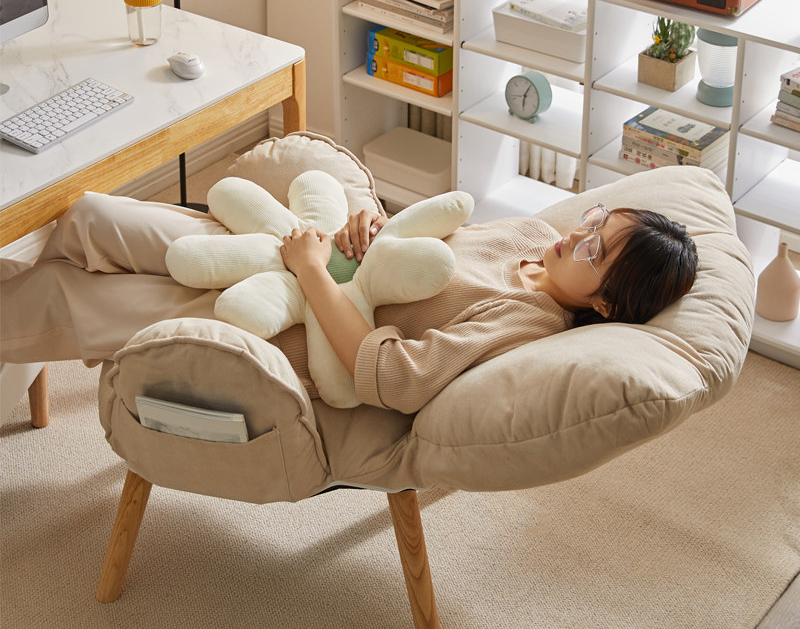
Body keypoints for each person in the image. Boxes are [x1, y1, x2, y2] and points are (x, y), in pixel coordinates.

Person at [0, 190, 697, 414]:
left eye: (594, 251)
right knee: (89, 216)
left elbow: (398, 379)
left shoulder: (523, 321)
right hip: (282, 247)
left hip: (274, 321)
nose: (575, 235)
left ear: (607, 307)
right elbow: (421, 242)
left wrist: (312, 276)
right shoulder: (532, 235)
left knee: (59, 298)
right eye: (594, 223)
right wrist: (372, 220)